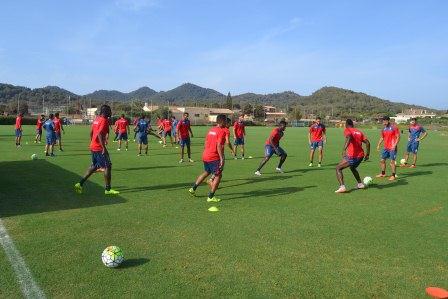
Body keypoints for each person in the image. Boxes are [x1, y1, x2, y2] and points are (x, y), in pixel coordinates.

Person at [74, 105, 119, 195]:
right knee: (107, 166)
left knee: (94, 166)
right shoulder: (103, 120)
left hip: (93, 146)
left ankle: (79, 184)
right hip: (99, 148)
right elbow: (99, 134)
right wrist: (103, 148)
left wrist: (92, 142)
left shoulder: (97, 119)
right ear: (105, 112)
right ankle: (108, 189)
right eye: (109, 111)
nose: (110, 112)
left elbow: (91, 133)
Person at [188, 114, 226, 203]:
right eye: (226, 121)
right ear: (223, 121)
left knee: (207, 172)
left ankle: (193, 189)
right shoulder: (221, 131)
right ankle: (211, 197)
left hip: (206, 154)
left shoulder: (211, 130)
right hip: (214, 157)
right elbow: (219, 145)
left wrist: (207, 152)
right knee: (218, 175)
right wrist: (221, 158)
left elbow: (206, 142)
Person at [335, 119, 371, 193]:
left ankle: (342, 187)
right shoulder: (359, 132)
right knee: (353, 168)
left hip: (353, 156)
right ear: (353, 124)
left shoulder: (347, 130)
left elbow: (349, 137)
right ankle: (360, 184)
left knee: (338, 168)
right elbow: (367, 143)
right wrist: (367, 155)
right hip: (361, 156)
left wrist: (344, 149)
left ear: (346, 124)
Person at [376, 116, 400, 181]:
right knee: (382, 160)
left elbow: (398, 137)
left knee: (392, 162)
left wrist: (395, 145)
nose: (384, 122)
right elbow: (382, 137)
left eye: (385, 121)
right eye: (383, 121)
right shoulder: (383, 129)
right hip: (385, 148)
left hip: (392, 147)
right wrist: (378, 145)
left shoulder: (394, 127)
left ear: (388, 121)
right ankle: (383, 174)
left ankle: (393, 175)